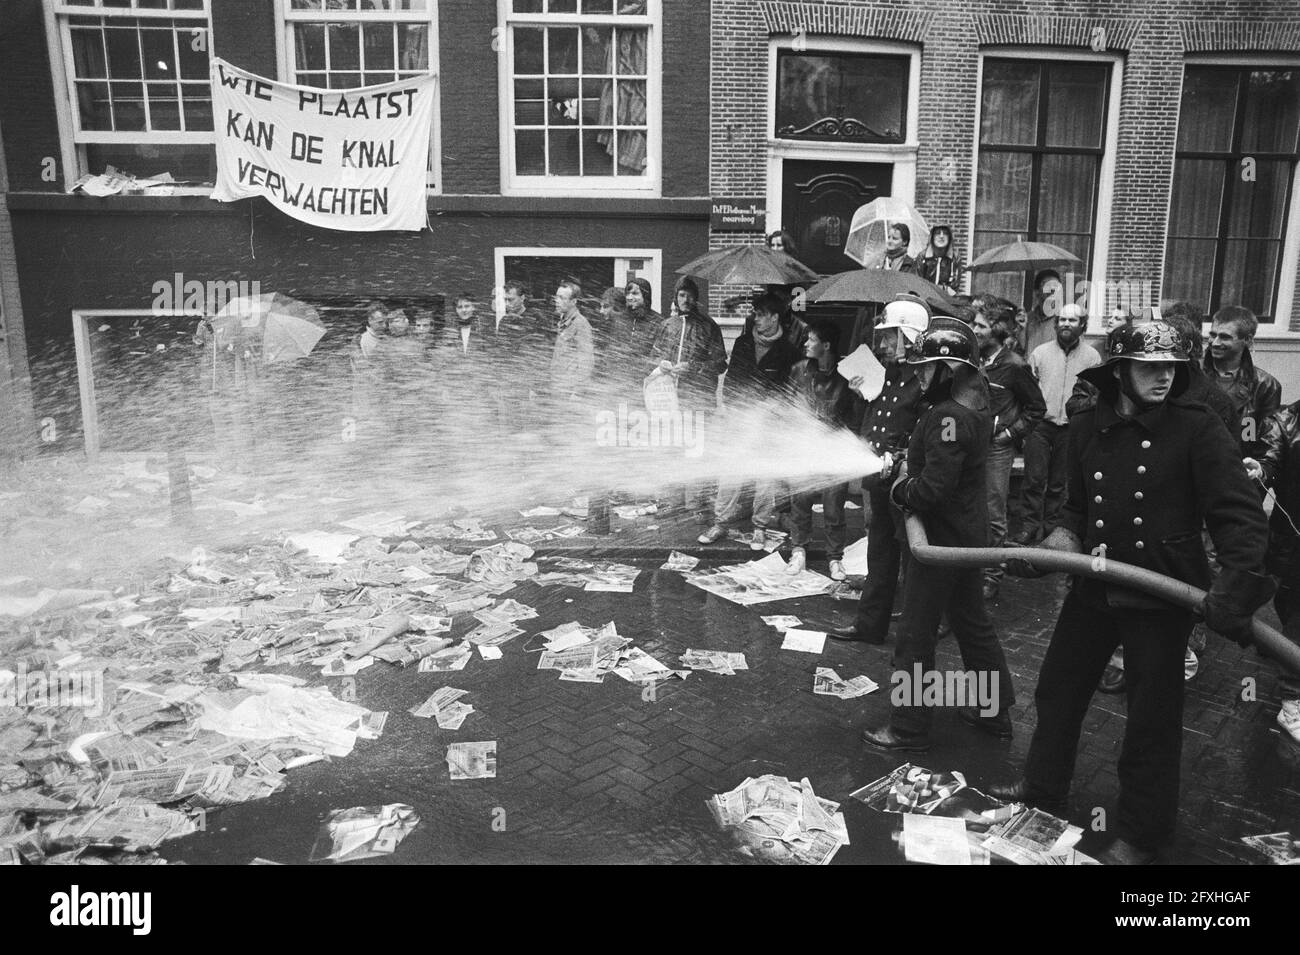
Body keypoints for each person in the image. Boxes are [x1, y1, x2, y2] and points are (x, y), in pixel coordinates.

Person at [994, 320, 1273, 864]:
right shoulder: (1087, 426)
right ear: (1119, 371)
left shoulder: (1197, 427)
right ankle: (1043, 790)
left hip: (1162, 594)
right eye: (1150, 367)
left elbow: (1238, 516)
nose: (1164, 378)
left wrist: (1233, 596)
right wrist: (1046, 553)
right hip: (1095, 587)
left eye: (1171, 368)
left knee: (1151, 719)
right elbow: (1076, 511)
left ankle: (1142, 834)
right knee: (1058, 690)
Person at [859, 317, 1017, 751]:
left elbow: (933, 490)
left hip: (941, 544)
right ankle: (993, 712)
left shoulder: (947, 417)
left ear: (950, 370)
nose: (920, 374)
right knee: (971, 623)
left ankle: (908, 727)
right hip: (964, 539)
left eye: (928, 368)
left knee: (915, 633)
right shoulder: (971, 409)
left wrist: (900, 486)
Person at [830, 295, 931, 644]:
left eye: (891, 336)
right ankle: (870, 625)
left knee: (913, 558)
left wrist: (901, 457)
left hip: (906, 484)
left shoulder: (925, 378)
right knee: (880, 555)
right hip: (880, 480)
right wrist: (860, 395)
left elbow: (928, 437)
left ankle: (922, 629)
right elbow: (874, 422)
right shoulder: (885, 374)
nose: (884, 343)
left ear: (911, 335)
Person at [700, 292, 801, 549]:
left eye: (761, 314)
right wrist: (731, 408)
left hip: (768, 424)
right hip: (740, 420)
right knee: (730, 474)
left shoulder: (788, 351)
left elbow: (788, 390)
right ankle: (720, 523)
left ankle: (760, 527)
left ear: (775, 317)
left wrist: (772, 410)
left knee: (764, 478)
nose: (755, 318)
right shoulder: (744, 343)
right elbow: (731, 379)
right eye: (755, 314)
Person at [1013, 303, 1101, 545]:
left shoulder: (1092, 357)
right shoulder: (1039, 353)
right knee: (1033, 479)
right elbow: (1025, 393)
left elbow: (1094, 395)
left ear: (1082, 325)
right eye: (1061, 320)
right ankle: (1028, 526)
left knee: (1059, 485)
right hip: (1040, 426)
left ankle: (1051, 529)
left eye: (1072, 321)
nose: (1065, 324)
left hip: (1072, 429)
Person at [975, 308, 1045, 601]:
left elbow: (1037, 408)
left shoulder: (1015, 365)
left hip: (995, 450)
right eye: (973, 324)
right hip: (971, 446)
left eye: (980, 325)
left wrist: (1009, 434)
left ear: (998, 330)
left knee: (993, 513)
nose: (974, 330)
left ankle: (992, 574)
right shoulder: (973, 360)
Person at [647, 276, 728, 524]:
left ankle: (696, 504)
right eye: (682, 295)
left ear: (697, 299)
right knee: (671, 450)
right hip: (670, 401)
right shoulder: (667, 325)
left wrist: (693, 368)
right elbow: (653, 356)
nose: (686, 300)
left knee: (695, 451)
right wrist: (661, 363)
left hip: (697, 400)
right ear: (675, 297)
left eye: (690, 295)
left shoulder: (709, 326)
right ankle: (672, 501)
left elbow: (720, 363)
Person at [787, 318, 857, 578]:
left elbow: (855, 417)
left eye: (812, 340)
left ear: (826, 345)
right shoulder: (799, 370)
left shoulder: (848, 375)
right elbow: (788, 404)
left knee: (834, 506)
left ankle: (835, 558)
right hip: (804, 446)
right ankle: (798, 552)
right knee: (800, 501)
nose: (806, 343)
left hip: (834, 450)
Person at [1258, 402, 1300, 744]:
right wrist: (1258, 471)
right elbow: (1268, 462)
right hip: (1293, 545)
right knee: (1296, 617)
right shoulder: (1285, 422)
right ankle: (1292, 701)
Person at [1205, 305, 1282, 463]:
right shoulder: (1192, 374)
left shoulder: (1265, 386)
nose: (1215, 342)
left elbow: (1265, 441)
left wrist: (1256, 470)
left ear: (1247, 340)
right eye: (1212, 335)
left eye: (1225, 337)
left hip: (1236, 470)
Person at [550, 279, 595, 412]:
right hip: (558, 388)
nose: (556, 301)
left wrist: (578, 392)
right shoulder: (562, 321)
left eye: (562, 298)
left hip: (569, 392)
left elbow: (586, 360)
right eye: (556, 297)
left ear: (573, 302)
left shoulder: (581, 324)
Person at [1022, 269, 1065, 357]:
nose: (1052, 289)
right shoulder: (1028, 319)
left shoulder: (1066, 320)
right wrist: (1020, 329)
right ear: (1037, 292)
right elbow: (1020, 351)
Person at [917, 225, 964, 294]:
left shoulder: (955, 257)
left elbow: (954, 287)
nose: (941, 236)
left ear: (949, 237)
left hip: (946, 299)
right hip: (925, 297)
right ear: (932, 237)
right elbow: (917, 282)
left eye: (945, 233)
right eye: (937, 233)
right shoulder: (923, 256)